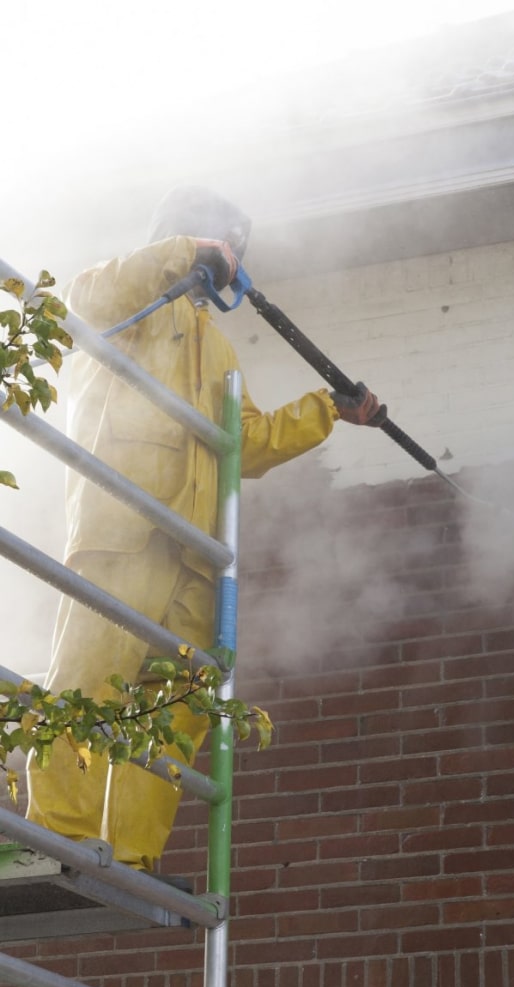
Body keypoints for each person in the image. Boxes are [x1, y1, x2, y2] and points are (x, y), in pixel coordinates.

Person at [25, 185, 381, 870]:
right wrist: (183, 253)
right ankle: (53, 836)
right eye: (224, 244)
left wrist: (326, 410)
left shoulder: (217, 351)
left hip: (187, 554)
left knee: (171, 711)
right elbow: (84, 299)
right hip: (122, 527)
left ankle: (128, 853)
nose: (232, 262)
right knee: (89, 681)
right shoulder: (130, 302)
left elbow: (240, 443)